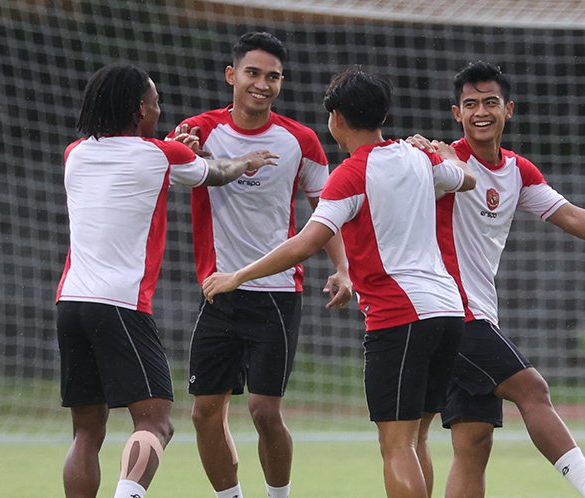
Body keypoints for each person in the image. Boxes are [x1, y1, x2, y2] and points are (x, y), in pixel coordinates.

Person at [202, 67, 476, 498]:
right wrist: (447, 153)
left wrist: (238, 275)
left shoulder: (349, 174)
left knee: (395, 444)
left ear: (337, 119)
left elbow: (307, 242)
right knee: (416, 439)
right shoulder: (417, 157)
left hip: (400, 316)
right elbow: (468, 178)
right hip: (447, 311)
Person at [408, 61, 585, 498]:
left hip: (478, 312)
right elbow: (392, 184)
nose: (481, 112)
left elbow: (568, 214)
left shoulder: (517, 171)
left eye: (490, 102)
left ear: (509, 109)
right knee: (532, 387)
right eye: (470, 104)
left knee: (473, 443)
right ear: (457, 113)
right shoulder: (441, 162)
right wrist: (413, 152)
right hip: (449, 311)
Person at [55, 62, 277, 498]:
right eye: (155, 101)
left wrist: (171, 148)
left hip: (71, 303)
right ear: (140, 109)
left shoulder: (75, 153)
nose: (160, 108)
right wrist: (246, 160)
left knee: (86, 432)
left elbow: (145, 160)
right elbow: (215, 172)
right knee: (154, 421)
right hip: (120, 305)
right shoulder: (160, 154)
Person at [167, 32, 352, 498]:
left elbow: (325, 210)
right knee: (204, 413)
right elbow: (167, 172)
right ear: (232, 75)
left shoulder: (301, 140)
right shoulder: (198, 130)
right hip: (219, 290)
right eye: (253, 73)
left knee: (264, 411)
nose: (262, 84)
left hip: (276, 294)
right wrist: (182, 152)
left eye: (272, 76)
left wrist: (343, 268)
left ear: (281, 83)